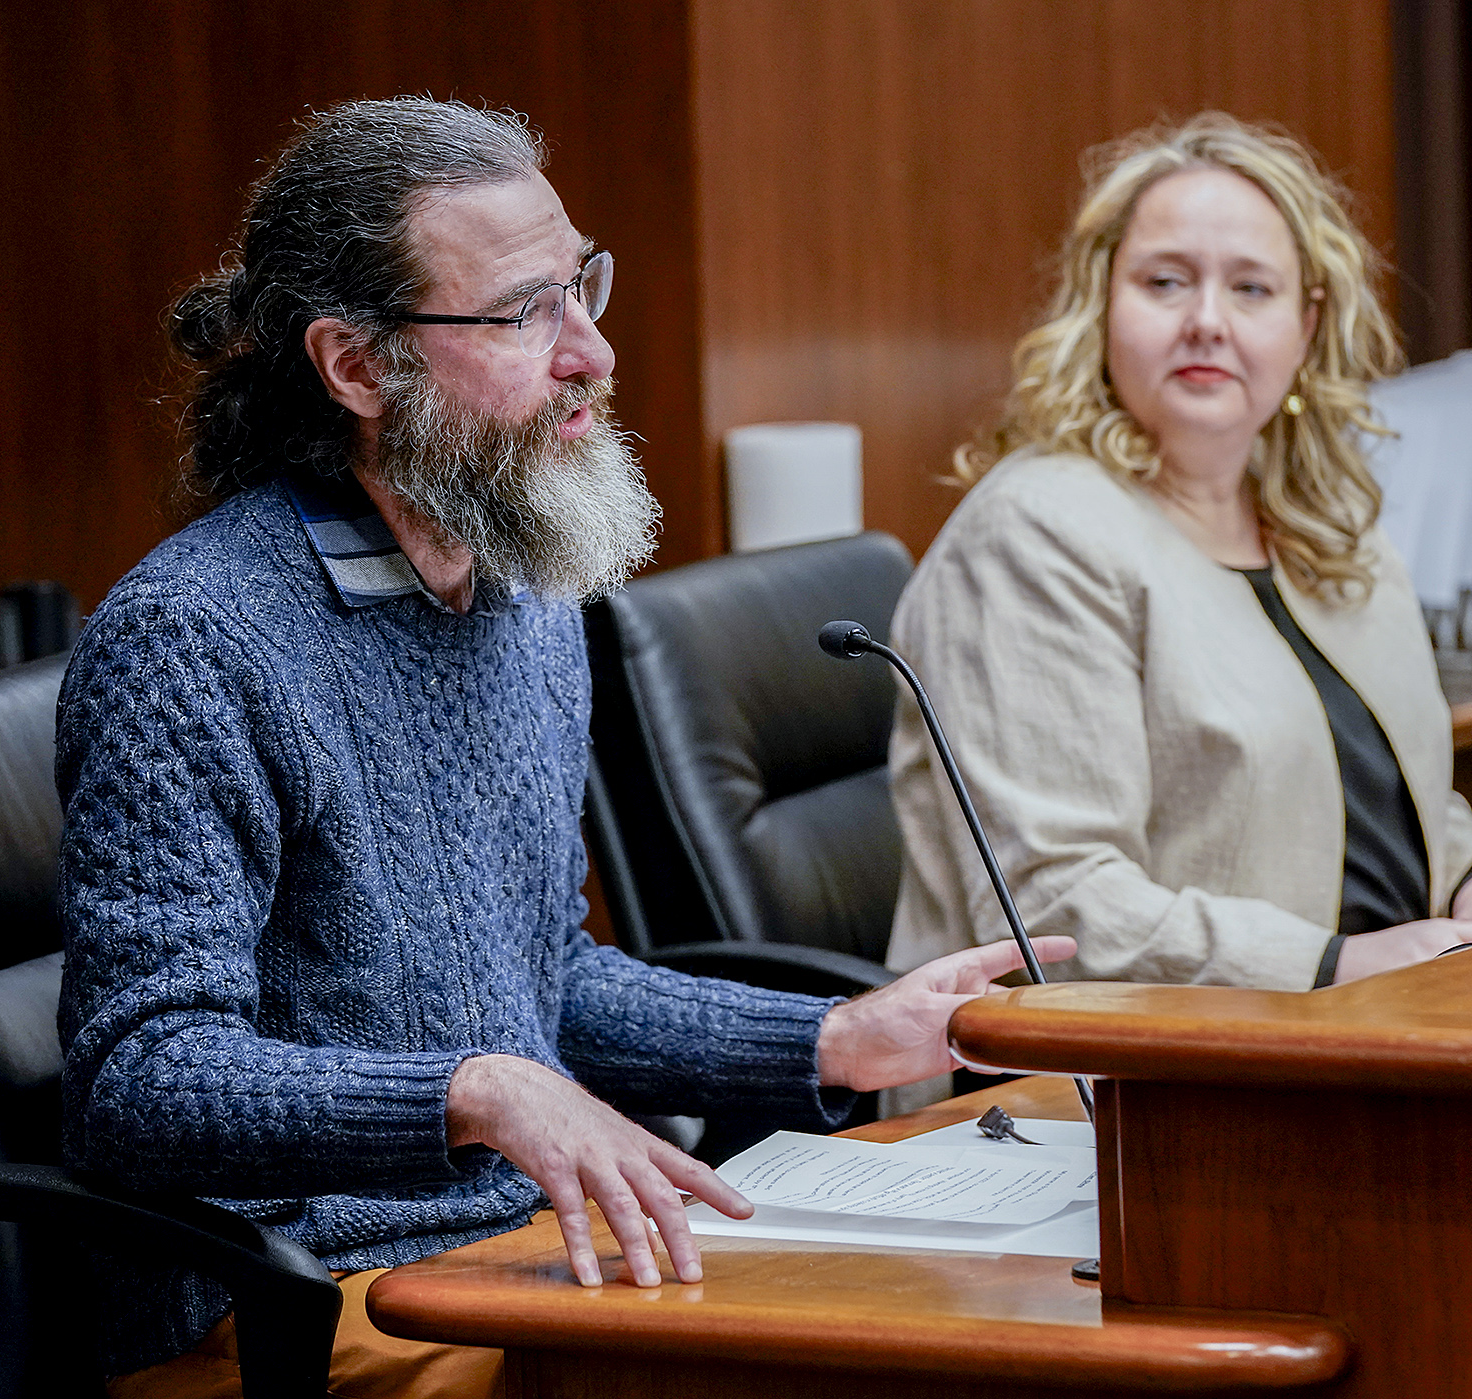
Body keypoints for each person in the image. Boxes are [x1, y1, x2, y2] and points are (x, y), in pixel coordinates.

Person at [55, 96, 1072, 1398]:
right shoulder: (193, 639)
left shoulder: (522, 594)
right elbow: (140, 1079)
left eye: (581, 282)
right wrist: (476, 1089)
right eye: (522, 311)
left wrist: (836, 1038)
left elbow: (542, 980)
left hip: (523, 1248)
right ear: (358, 369)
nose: (590, 349)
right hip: (296, 1303)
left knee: (968, 1332)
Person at [886, 113, 1472, 999]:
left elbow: (1373, 799)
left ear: (1307, 327)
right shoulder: (1032, 534)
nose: (1208, 321)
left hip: (1372, 1027)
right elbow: (1057, 911)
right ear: (1100, 306)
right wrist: (1334, 965)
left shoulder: (1328, 525)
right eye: (1165, 282)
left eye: (1251, 289)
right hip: (1113, 1085)